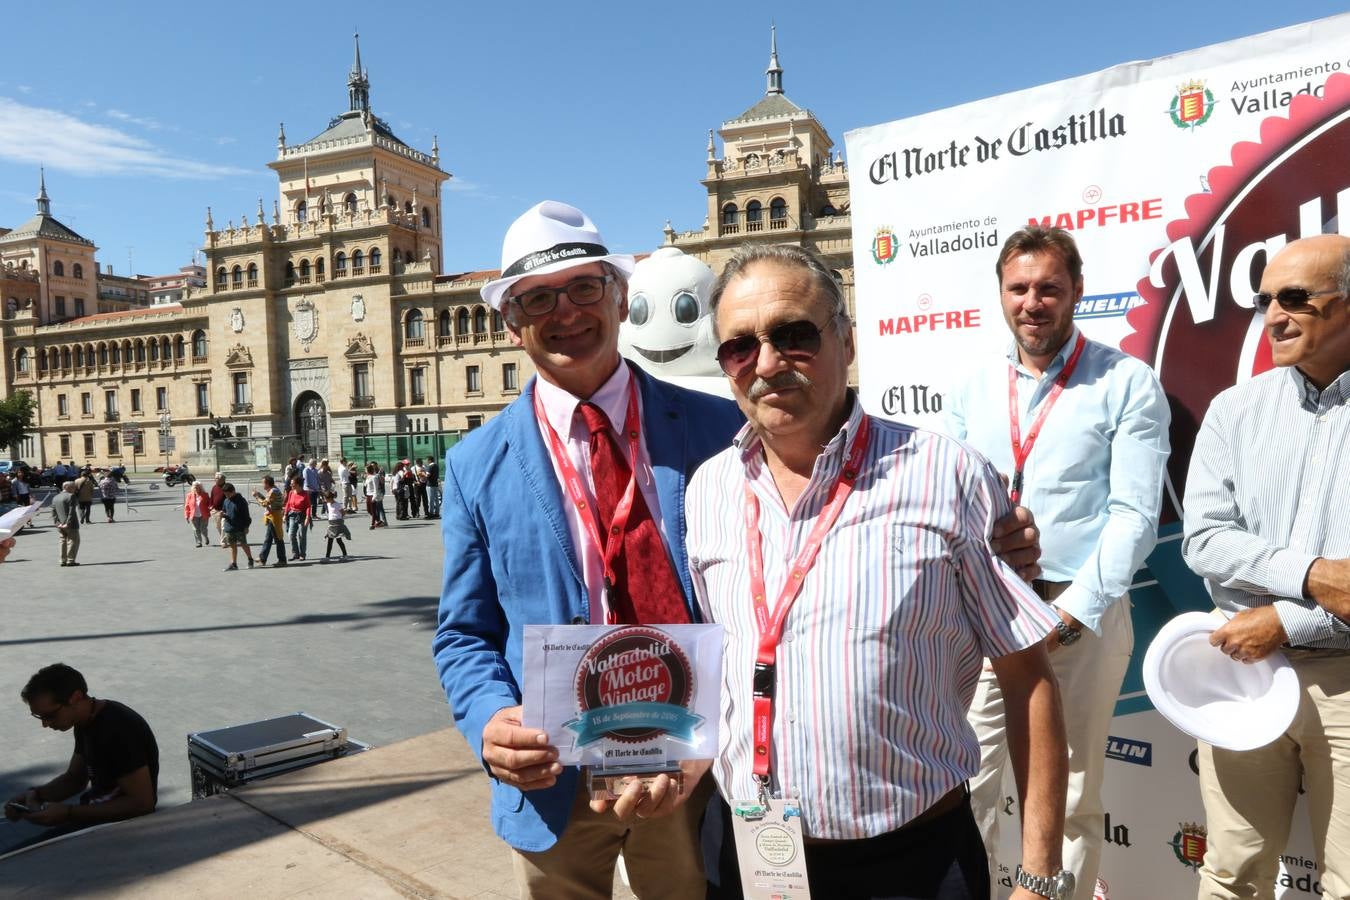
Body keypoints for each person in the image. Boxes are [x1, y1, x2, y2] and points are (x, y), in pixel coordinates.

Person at [431, 204, 1046, 900]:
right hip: (552, 783)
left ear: (621, 298)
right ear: (511, 324)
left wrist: (996, 535)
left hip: (696, 780)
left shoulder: (727, 425)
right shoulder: (474, 464)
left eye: (583, 289)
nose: (564, 312)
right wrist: (490, 720)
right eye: (536, 298)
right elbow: (463, 633)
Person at [685, 243, 1070, 899]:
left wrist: (1038, 879)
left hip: (911, 866)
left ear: (847, 341)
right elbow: (724, 666)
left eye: (794, 335)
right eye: (739, 347)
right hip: (751, 856)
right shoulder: (708, 489)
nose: (768, 363)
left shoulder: (947, 475)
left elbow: (1027, 680)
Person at [947, 227, 1170, 899]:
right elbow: (955, 508)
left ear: (1075, 291)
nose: (1033, 302)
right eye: (1019, 288)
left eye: (1049, 287)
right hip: (986, 616)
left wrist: (1071, 615)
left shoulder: (1126, 381)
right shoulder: (974, 387)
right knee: (967, 784)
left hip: (1079, 611)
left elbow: (1135, 513)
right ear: (1002, 295)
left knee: (1069, 791)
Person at [1181, 234, 1350, 900]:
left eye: (1295, 298)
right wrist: (1313, 578)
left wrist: (1282, 619)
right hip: (1243, 675)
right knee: (1233, 873)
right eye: (1265, 300)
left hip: (1344, 680)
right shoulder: (1233, 411)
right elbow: (1204, 540)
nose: (1273, 316)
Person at [4, 664, 158, 844]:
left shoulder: (119, 729)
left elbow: (143, 803)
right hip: (96, 818)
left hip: (118, 831)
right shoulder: (86, 720)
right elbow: (75, 779)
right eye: (40, 717)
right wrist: (34, 795)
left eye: (50, 715)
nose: (45, 724)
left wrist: (68, 813)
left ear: (76, 697)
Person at [252, 475, 288, 567]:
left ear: (267, 483)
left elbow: (264, 503)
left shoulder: (273, 491)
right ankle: (263, 558)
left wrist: (256, 497)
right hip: (272, 517)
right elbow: (267, 500)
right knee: (269, 538)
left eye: (263, 483)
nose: (262, 484)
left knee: (278, 539)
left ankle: (282, 560)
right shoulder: (273, 490)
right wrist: (259, 494)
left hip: (274, 517)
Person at [219, 483, 255, 571]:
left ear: (233, 491)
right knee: (232, 545)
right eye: (225, 494)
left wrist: (246, 526)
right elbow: (224, 511)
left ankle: (250, 559)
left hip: (240, 527)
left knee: (243, 544)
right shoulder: (226, 501)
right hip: (229, 526)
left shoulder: (241, 501)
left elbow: (246, 515)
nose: (226, 496)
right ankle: (233, 563)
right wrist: (222, 515)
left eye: (228, 494)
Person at [52, 481, 80, 567]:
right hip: (70, 524)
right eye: (73, 487)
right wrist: (68, 523)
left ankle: (62, 560)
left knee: (62, 541)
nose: (75, 489)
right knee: (73, 541)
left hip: (60, 524)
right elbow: (71, 512)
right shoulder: (71, 496)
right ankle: (70, 560)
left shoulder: (56, 497)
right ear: (66, 487)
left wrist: (57, 523)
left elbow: (54, 512)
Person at [284, 476, 311, 561]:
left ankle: (302, 554)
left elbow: (308, 506)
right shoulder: (291, 492)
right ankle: (295, 553)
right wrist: (285, 514)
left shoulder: (305, 494)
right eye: (291, 483)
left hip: (302, 516)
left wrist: (307, 517)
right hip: (292, 515)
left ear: (298, 485)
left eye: (293, 484)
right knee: (291, 535)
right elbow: (288, 504)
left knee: (302, 536)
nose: (291, 485)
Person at [320, 489, 352, 561]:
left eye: (326, 499)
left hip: (337, 524)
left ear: (330, 498)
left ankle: (345, 555)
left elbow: (343, 513)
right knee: (330, 541)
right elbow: (324, 500)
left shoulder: (337, 504)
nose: (325, 500)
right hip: (331, 525)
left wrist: (340, 519)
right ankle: (327, 557)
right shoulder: (328, 504)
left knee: (338, 541)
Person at [183, 481, 212, 548]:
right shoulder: (189, 495)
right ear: (193, 488)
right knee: (195, 529)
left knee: (203, 529)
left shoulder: (205, 495)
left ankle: (206, 537)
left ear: (200, 487)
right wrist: (186, 515)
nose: (196, 488)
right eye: (194, 487)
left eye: (197, 487)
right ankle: (199, 542)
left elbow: (209, 503)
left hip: (204, 515)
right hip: (193, 515)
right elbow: (187, 506)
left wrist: (210, 509)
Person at [209, 472, 228, 544]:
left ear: (222, 479)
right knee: (218, 527)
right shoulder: (214, 487)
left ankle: (223, 542)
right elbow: (212, 497)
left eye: (217, 478)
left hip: (224, 511)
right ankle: (225, 538)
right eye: (215, 478)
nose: (215, 479)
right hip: (215, 511)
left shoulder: (227, 487)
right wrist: (210, 506)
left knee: (223, 527)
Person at [424, 455, 441, 519]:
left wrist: (422, 474)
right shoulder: (436, 466)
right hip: (435, 484)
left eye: (427, 460)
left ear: (429, 460)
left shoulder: (430, 466)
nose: (427, 461)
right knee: (436, 499)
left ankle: (431, 513)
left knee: (430, 499)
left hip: (430, 484)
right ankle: (437, 512)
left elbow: (427, 475)